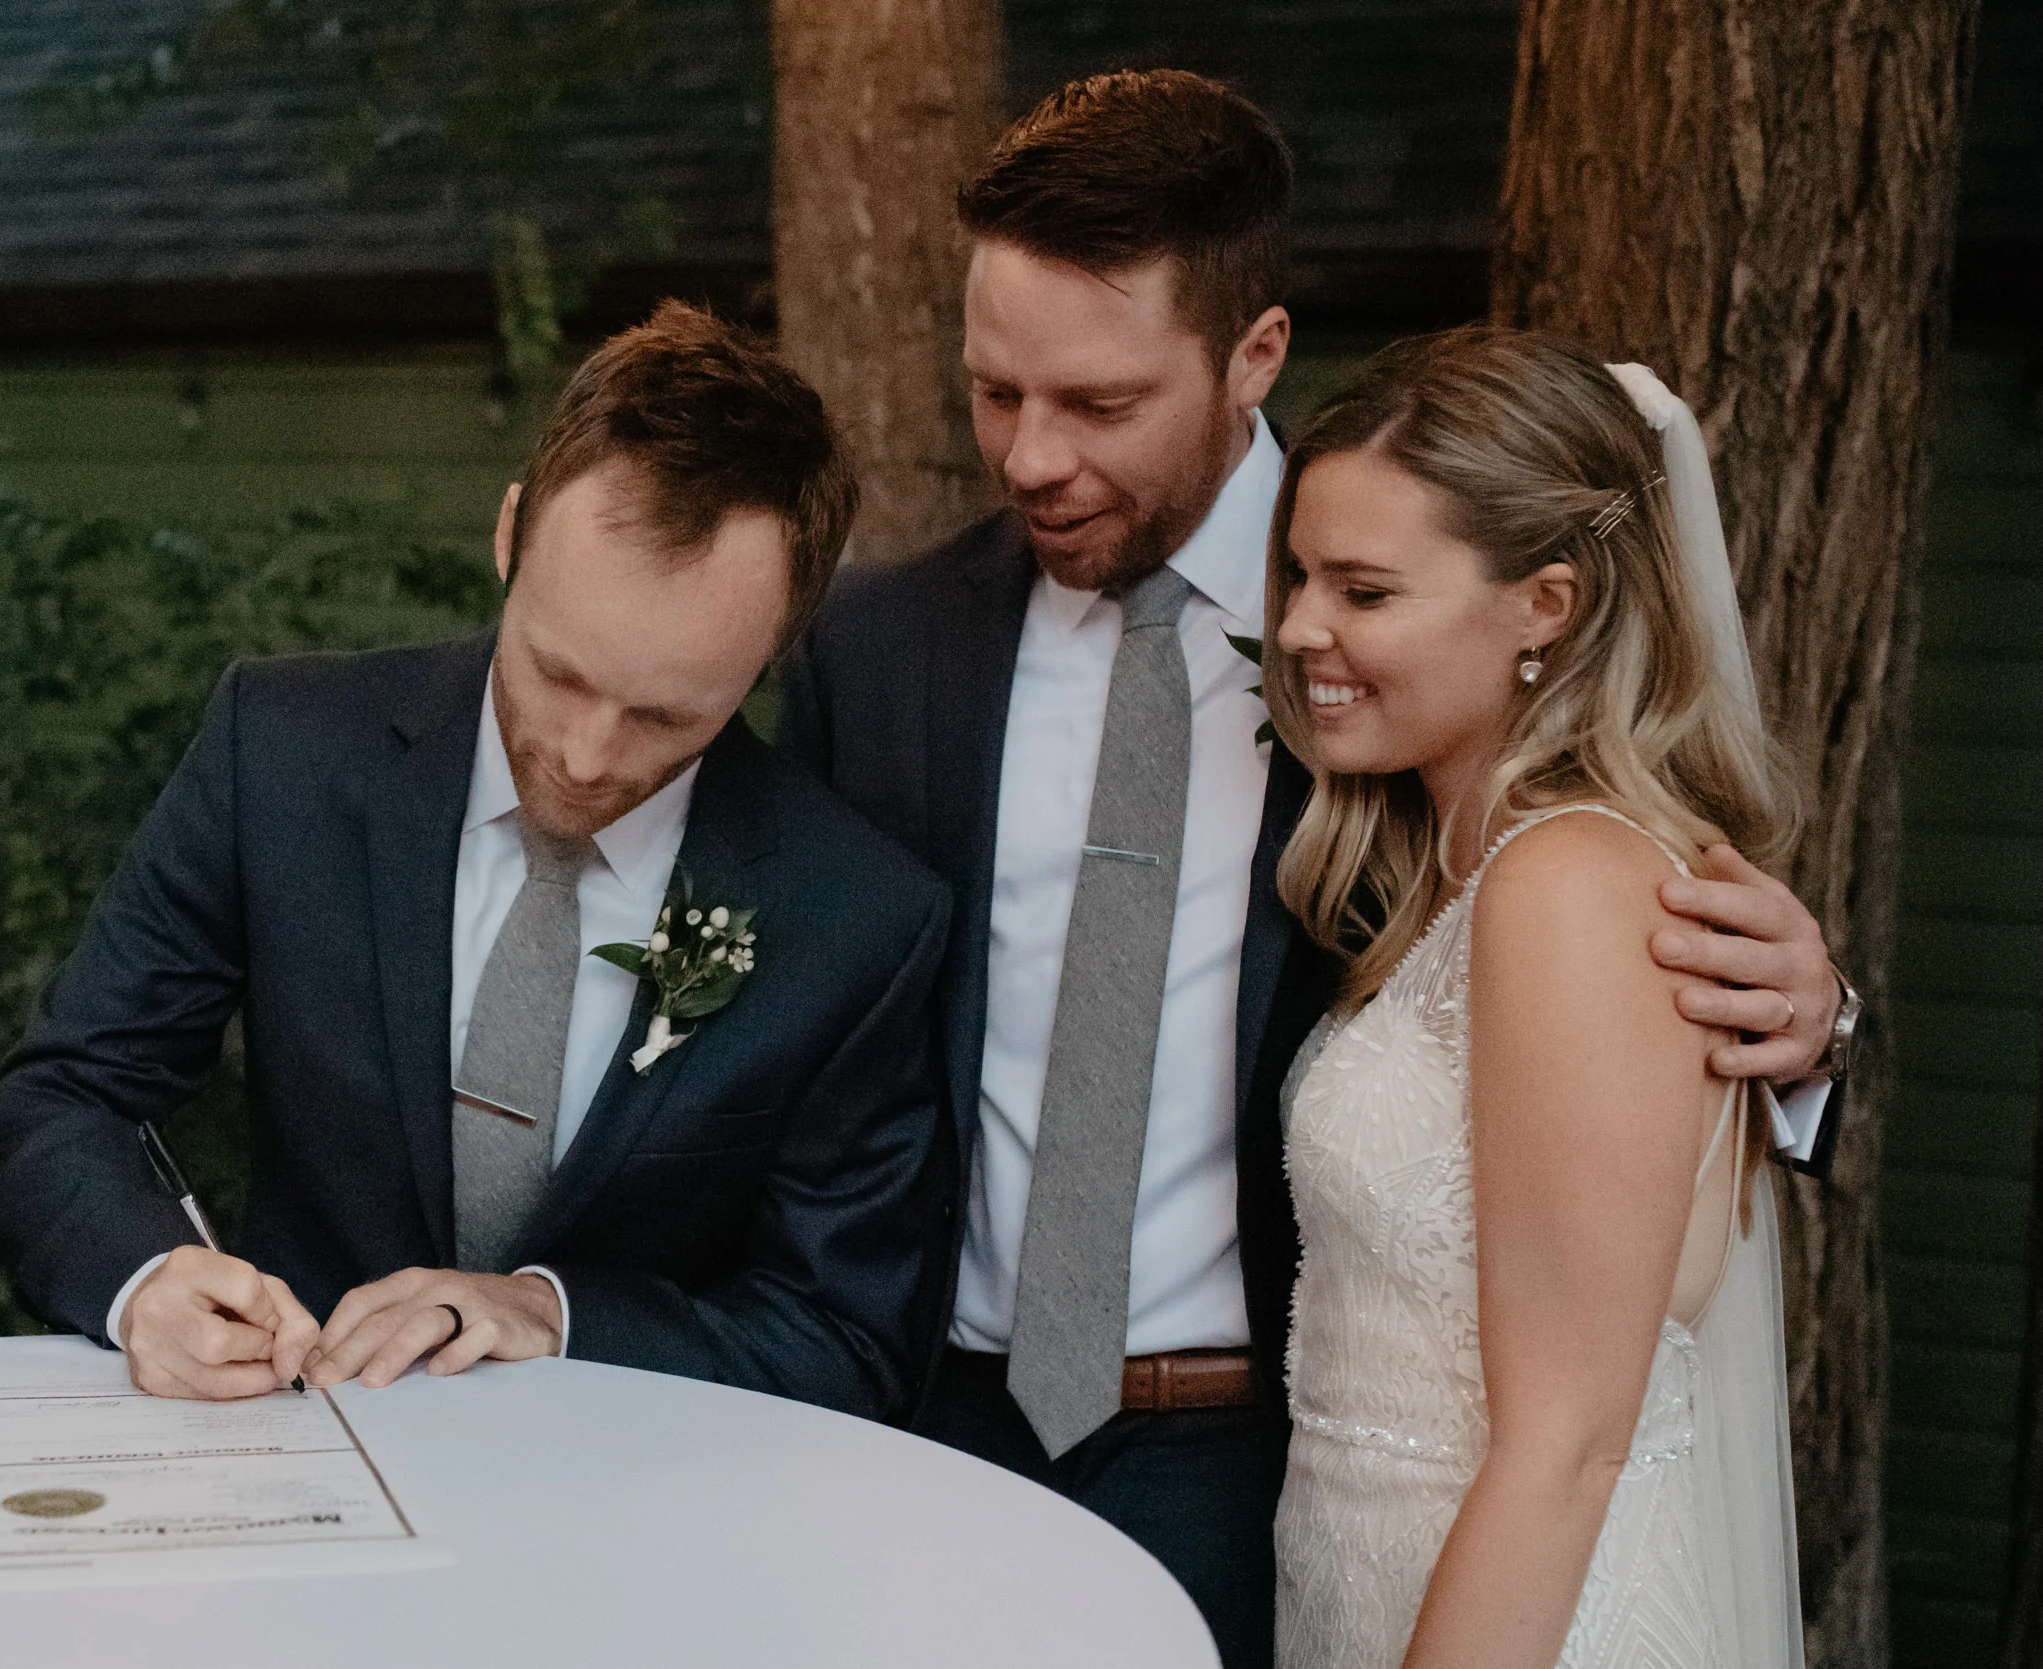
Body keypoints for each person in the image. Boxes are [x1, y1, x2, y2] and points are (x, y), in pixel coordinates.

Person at [779, 71, 1848, 1659]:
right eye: (996, 390)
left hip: (1257, 1457)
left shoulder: (1422, 656)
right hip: (934, 1427)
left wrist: (1816, 1030)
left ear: (1252, 353)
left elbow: (1608, 974)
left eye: (1100, 403)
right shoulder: (876, 651)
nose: (1031, 453)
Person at [0, 301, 952, 1420]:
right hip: (299, 1461)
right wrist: (146, 1282)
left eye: (664, 717)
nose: (587, 758)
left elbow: (845, 1338)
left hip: (643, 1524)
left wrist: (558, 1311)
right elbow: (62, 1096)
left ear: (776, 643)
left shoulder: (857, 917)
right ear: (507, 535)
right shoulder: (283, 756)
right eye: (560, 673)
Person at [1267, 325, 1806, 1668]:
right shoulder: (1458, 870)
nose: (1297, 628)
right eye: (1296, 576)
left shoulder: (1567, 883)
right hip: (1378, 1573)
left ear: (1547, 606)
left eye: (1364, 591)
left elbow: (1568, 1441)